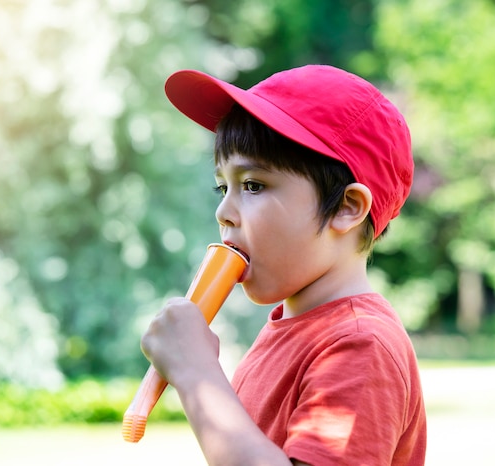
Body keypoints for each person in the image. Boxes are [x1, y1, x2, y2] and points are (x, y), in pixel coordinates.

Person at [140, 64, 427, 465]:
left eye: (253, 185)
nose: (223, 210)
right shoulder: (290, 329)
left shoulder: (360, 344)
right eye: (223, 187)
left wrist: (198, 375)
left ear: (346, 208)